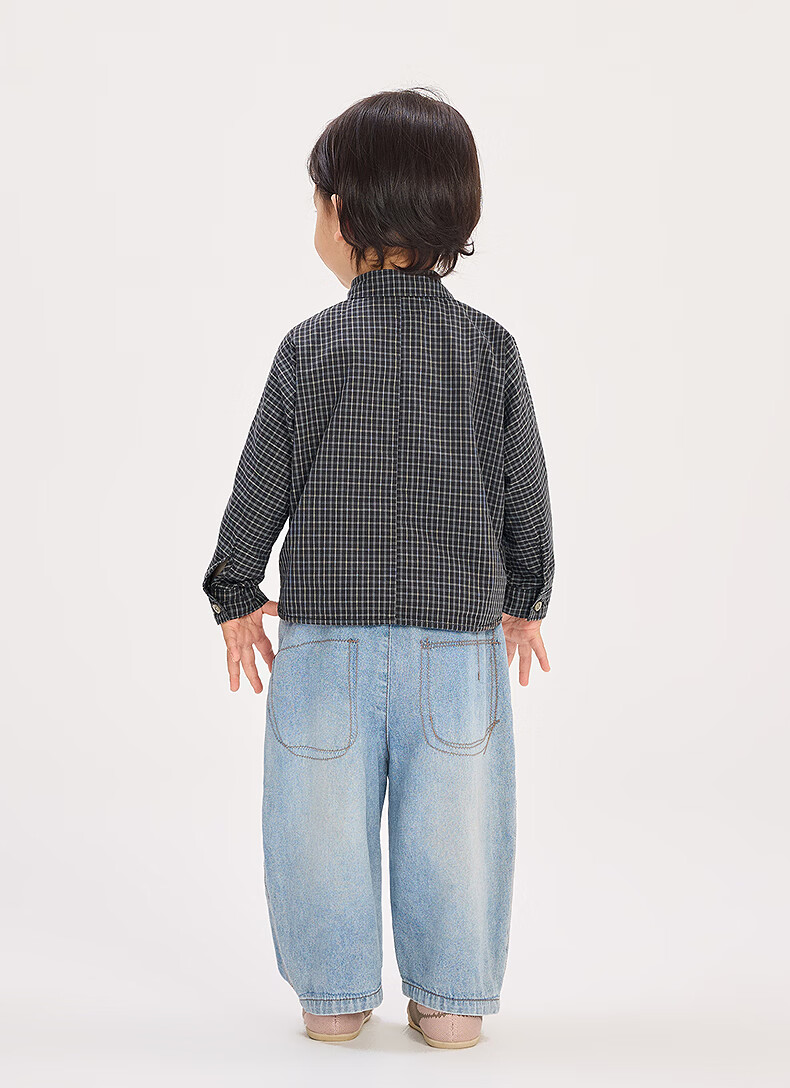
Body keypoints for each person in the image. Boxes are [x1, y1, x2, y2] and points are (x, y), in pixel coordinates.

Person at [202, 87, 555, 1049]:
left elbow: (261, 482)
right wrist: (527, 598)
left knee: (315, 830)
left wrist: (236, 595)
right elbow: (523, 485)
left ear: (343, 213)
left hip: (326, 646)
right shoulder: (490, 350)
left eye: (317, 204)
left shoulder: (310, 349)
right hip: (457, 650)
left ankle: (332, 999)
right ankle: (450, 1006)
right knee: (458, 835)